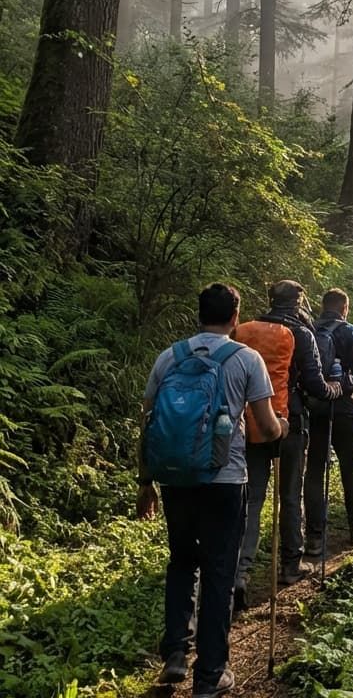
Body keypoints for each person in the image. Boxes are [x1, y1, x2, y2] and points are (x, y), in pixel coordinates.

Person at [138, 282, 286, 698]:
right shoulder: (245, 358)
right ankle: (210, 676)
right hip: (225, 481)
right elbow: (266, 426)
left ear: (198, 314)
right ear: (236, 317)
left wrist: (145, 481)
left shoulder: (170, 356)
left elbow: (148, 420)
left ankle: (174, 656)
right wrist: (283, 428)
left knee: (182, 561)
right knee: (220, 571)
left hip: (174, 476)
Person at [234, 280, 341, 604]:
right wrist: (338, 387)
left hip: (251, 420)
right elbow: (316, 385)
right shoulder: (301, 333)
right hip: (289, 421)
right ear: (299, 301)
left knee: (252, 499)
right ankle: (290, 567)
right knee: (290, 496)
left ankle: (240, 572)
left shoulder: (247, 329)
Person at [303, 289, 353, 553]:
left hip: (314, 407)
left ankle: (314, 537)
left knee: (314, 469)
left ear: (322, 306)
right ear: (344, 308)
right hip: (344, 408)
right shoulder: (349, 331)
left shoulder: (308, 331)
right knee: (350, 466)